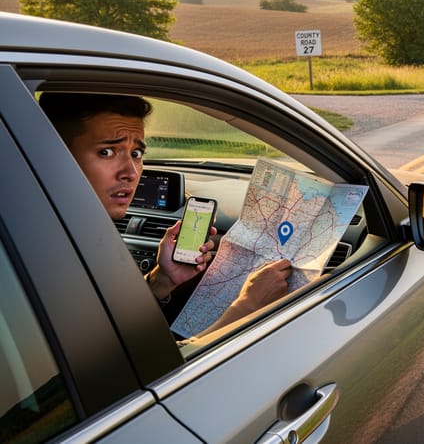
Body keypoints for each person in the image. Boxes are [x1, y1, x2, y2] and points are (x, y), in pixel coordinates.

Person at [38, 92, 291, 338]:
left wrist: (162, 279)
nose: (131, 172)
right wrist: (247, 307)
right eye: (107, 152)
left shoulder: (61, 232)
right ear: (57, 155)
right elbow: (162, 376)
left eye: (136, 154)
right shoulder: (50, 264)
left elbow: (117, 326)